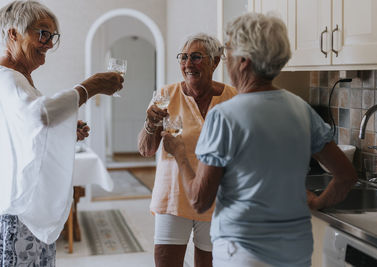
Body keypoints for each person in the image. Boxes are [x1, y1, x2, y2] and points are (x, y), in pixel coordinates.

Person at [161, 13, 358, 267]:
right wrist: (318, 203)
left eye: (228, 51)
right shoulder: (301, 109)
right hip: (295, 252)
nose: (226, 59)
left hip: (243, 254)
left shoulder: (225, 115)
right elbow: (346, 176)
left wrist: (179, 153)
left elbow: (200, 200)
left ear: (244, 60)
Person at [0, 1, 124, 266]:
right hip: (20, 208)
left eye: (52, 36)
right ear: (13, 34)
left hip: (27, 205)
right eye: (42, 33)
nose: (48, 43)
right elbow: (39, 115)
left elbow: (27, 133)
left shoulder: (20, 79)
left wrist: (65, 129)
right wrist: (90, 87)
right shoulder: (7, 78)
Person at [138, 33, 237, 267]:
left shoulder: (233, 97)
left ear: (215, 62)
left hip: (217, 198)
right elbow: (146, 149)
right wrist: (150, 124)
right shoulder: (165, 95)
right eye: (183, 57)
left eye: (195, 57)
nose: (187, 64)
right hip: (173, 196)